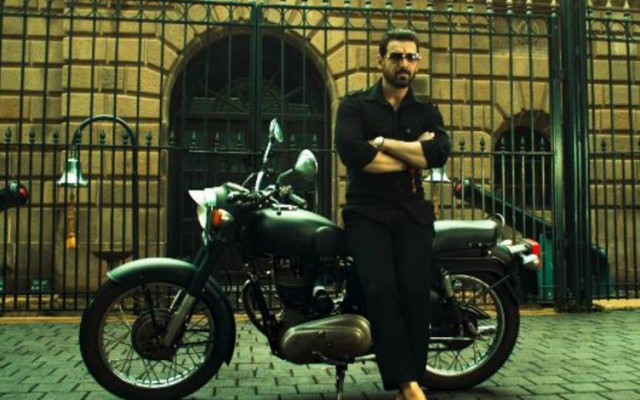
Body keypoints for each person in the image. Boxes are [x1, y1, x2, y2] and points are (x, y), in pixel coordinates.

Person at [335, 29, 451, 400]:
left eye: (411, 57)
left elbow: (439, 153)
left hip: (413, 213)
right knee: (381, 290)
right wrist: (414, 155)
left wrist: (385, 143)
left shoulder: (426, 110)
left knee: (415, 293)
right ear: (380, 60)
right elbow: (355, 155)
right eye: (397, 56)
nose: (405, 63)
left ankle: (409, 383)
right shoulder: (355, 106)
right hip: (367, 214)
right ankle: (408, 385)